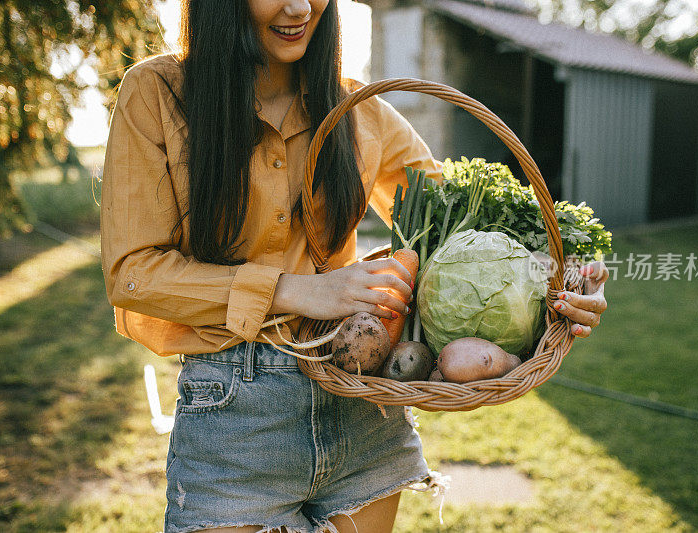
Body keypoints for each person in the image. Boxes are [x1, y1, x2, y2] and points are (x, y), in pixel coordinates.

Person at [99, 1, 609, 532]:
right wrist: (298, 291)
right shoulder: (159, 95)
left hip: (361, 398)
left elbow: (463, 219)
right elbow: (135, 272)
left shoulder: (357, 110)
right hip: (235, 420)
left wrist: (569, 273)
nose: (301, 7)